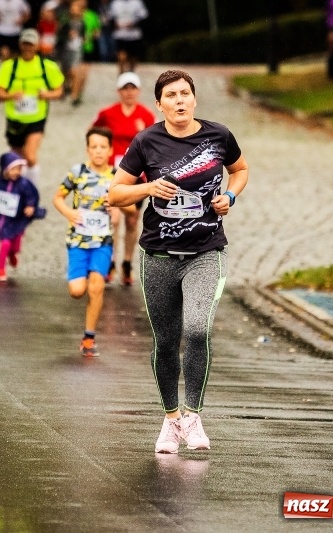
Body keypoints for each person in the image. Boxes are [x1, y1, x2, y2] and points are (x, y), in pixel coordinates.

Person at [108, 70, 249, 453]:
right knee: (167, 341)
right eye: (171, 95)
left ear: (195, 99)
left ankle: (194, 416)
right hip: (158, 256)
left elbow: (240, 170)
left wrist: (231, 197)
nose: (180, 100)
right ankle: (171, 421)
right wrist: (149, 187)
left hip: (206, 252)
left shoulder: (218, 136)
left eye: (185, 93)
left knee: (198, 329)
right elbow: (115, 194)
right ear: (159, 104)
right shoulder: (146, 141)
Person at [53, 126, 135, 357]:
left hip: (102, 242)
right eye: (94, 147)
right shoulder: (77, 173)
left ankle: (89, 338)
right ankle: (84, 276)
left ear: (110, 149)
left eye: (103, 147)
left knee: (97, 286)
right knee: (77, 291)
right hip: (78, 240)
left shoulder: (117, 177)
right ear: (87, 149)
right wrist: (68, 213)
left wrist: (118, 204)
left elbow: (131, 210)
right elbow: (58, 198)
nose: (98, 151)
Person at [91, 71, 155, 285]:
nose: (129, 92)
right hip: (113, 174)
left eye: (133, 88)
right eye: (125, 88)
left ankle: (127, 262)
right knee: (113, 217)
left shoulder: (146, 116)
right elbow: (94, 135)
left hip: (137, 175)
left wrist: (142, 133)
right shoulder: (108, 114)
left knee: (132, 219)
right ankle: (109, 261)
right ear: (119, 91)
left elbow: (154, 145)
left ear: (138, 91)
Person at [0, 28, 64, 183]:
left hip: (36, 118)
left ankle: (32, 189)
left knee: (30, 156)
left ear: (37, 46)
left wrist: (47, 95)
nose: (27, 48)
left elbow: (59, 91)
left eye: (31, 44)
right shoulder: (9, 67)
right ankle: (18, 188)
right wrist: (11, 95)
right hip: (15, 119)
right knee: (16, 158)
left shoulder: (47, 67)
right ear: (20, 45)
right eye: (25, 44)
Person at [0, 151, 46, 282]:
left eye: (19, 169)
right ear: (5, 169)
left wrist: (30, 206)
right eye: (13, 169)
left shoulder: (24, 184)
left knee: (15, 245)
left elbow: (31, 196)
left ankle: (12, 253)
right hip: (1, 219)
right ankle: (0, 269)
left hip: (17, 220)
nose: (16, 172)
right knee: (5, 242)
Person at [108, 0, 148, 73]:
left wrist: (134, 23)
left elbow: (143, 16)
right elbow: (111, 17)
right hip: (120, 34)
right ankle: (121, 74)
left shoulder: (137, 2)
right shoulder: (116, 3)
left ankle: (131, 73)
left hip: (134, 35)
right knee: (121, 56)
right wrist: (114, 24)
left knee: (133, 57)